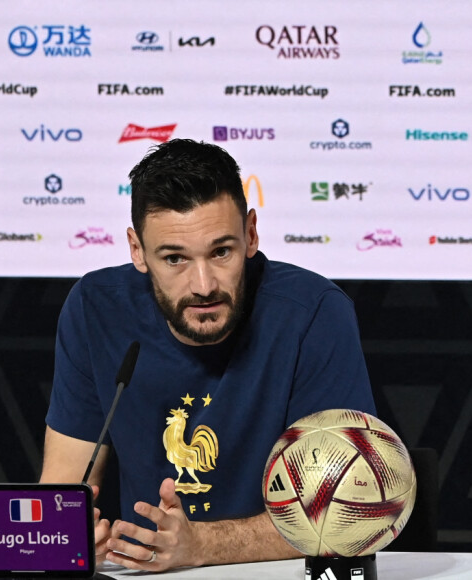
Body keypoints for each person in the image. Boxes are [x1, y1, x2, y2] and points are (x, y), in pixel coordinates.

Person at [40, 139, 376, 571]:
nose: (203, 285)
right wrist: (71, 534)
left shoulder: (313, 313)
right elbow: (64, 489)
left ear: (251, 234)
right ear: (137, 250)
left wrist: (203, 546)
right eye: (175, 258)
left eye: (221, 252)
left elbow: (342, 510)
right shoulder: (95, 309)